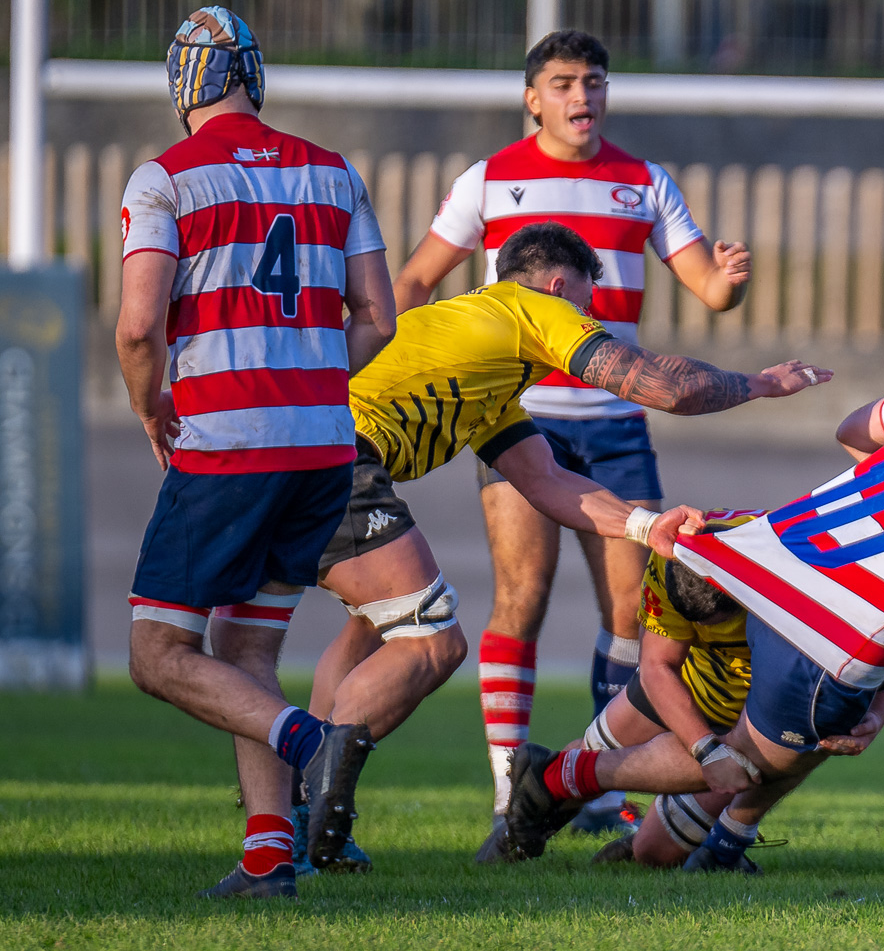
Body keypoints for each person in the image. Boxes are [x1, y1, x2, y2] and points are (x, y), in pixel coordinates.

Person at [295, 221, 829, 865]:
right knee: (436, 639)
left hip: (303, 452)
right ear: (556, 287)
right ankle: (319, 836)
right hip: (338, 460)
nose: (585, 321)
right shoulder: (534, 311)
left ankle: (297, 816)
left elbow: (548, 483)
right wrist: (763, 385)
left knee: (367, 631)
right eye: (584, 304)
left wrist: (642, 526)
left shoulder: (487, 361)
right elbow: (665, 386)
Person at [496, 385, 884, 873]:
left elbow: (852, 430)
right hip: (823, 654)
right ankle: (557, 780)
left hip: (766, 567)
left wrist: (883, 506)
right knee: (743, 765)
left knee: (731, 750)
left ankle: (679, 839)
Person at [392, 29, 753, 834]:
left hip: (618, 421)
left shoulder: (643, 181)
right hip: (521, 419)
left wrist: (725, 286)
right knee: (520, 598)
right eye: (561, 83)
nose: (580, 97)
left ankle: (598, 787)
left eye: (592, 81)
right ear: (532, 98)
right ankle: (505, 789)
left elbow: (703, 284)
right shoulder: (489, 180)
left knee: (633, 615)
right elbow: (416, 279)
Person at [118, 6, 397, 899]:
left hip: (228, 446)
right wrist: (310, 375)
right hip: (323, 449)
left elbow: (135, 329)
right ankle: (271, 857)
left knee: (158, 653)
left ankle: (311, 742)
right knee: (245, 651)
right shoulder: (332, 170)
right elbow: (379, 319)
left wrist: (153, 407)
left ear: (181, 87)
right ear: (255, 76)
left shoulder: (165, 179)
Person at [582, 511, 884, 869]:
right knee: (581, 760)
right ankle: (538, 792)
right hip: (695, 686)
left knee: (652, 853)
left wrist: (877, 714)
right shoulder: (672, 553)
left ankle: (726, 843)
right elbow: (657, 668)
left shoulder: (801, 564)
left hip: (768, 699)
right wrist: (707, 751)